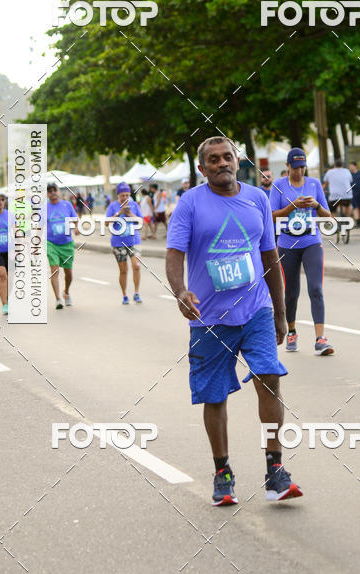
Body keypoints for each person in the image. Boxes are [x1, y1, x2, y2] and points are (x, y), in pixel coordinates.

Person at [166, 136, 302, 506]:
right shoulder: (190, 203)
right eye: (213, 159)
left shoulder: (258, 198)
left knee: (269, 378)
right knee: (214, 395)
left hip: (256, 310)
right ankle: (222, 472)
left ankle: (275, 470)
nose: (222, 163)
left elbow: (270, 257)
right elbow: (174, 254)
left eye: (227, 157)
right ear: (202, 168)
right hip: (209, 318)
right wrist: (180, 291)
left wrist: (281, 315)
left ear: (237, 161)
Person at [270, 148, 335, 356]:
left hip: (311, 241)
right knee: (291, 292)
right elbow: (272, 216)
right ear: (287, 166)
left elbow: (328, 217)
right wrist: (292, 206)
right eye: (296, 167)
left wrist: (316, 205)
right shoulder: (279, 186)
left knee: (315, 288)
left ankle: (320, 339)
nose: (299, 171)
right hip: (287, 243)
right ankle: (291, 332)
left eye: (302, 167)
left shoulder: (314, 184)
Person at [105, 182, 143, 305]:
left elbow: (141, 222)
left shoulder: (134, 205)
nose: (125, 197)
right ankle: (125, 295)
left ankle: (136, 293)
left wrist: (130, 214)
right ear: (118, 195)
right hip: (118, 243)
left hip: (134, 241)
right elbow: (106, 223)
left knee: (136, 266)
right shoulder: (112, 206)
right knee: (123, 270)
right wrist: (119, 212)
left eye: (127, 195)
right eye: (122, 195)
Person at [47, 183, 78, 309]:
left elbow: (75, 219)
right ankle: (58, 299)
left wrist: (76, 228)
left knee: (68, 272)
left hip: (67, 243)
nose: (53, 193)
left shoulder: (67, 205)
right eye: (50, 191)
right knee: (54, 270)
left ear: (58, 191)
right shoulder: (43, 208)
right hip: (51, 243)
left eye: (54, 190)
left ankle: (66, 292)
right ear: (47, 194)